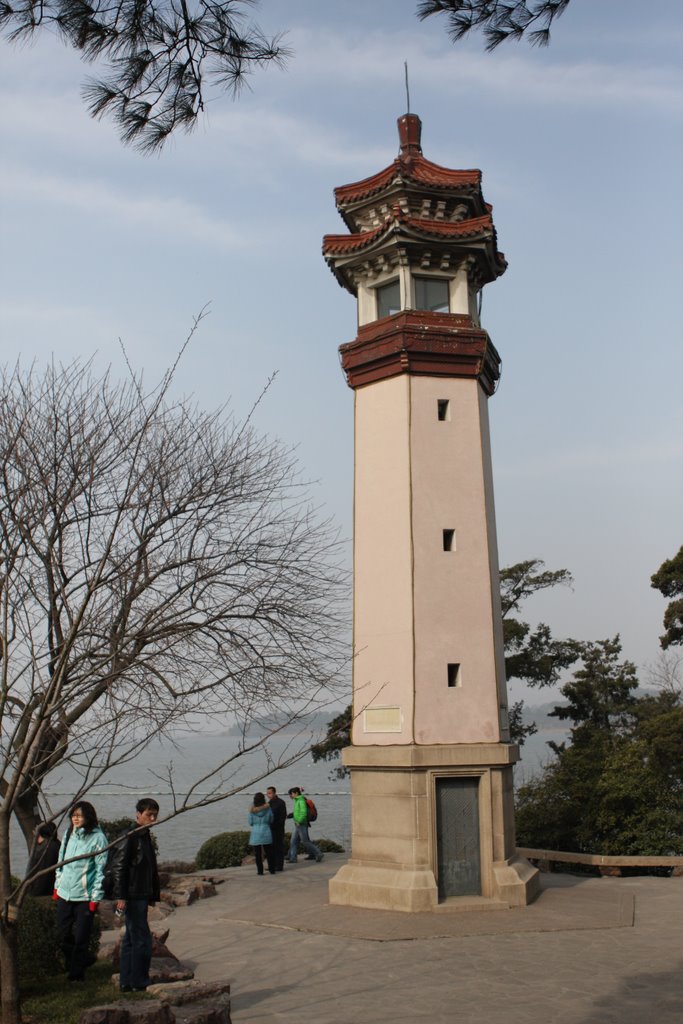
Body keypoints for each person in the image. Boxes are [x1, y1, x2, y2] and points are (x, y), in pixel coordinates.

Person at [108, 797, 161, 993]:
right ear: (138, 814)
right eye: (149, 814)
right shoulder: (130, 836)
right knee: (141, 939)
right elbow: (119, 868)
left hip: (139, 893)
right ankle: (139, 981)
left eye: (155, 814)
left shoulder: (143, 835)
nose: (153, 818)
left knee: (131, 938)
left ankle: (127, 981)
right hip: (132, 894)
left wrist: (152, 895)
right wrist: (120, 897)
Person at [53, 801, 107, 981]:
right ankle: (84, 959)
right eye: (73, 815)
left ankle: (76, 975)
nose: (75, 818)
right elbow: (60, 862)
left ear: (88, 817)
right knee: (61, 935)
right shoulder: (69, 833)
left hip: (84, 897)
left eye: (79, 815)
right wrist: (57, 886)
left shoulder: (98, 838)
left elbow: (101, 871)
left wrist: (95, 898)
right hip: (64, 894)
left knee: (81, 937)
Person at [286, 787, 323, 864]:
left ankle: (318, 853)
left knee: (305, 841)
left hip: (301, 824)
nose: (291, 796)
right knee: (293, 841)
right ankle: (293, 858)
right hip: (298, 824)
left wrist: (299, 821)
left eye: (292, 794)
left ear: (296, 793)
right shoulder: (297, 800)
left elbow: (303, 813)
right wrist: (292, 815)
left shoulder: (301, 800)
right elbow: (298, 812)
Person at [25, 821, 60, 897]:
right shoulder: (58, 844)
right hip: (54, 888)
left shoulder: (42, 849)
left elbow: (37, 871)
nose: (33, 833)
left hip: (40, 891)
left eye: (35, 831)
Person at [248, 792, 275, 875]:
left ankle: (260, 871)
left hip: (256, 833)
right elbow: (271, 819)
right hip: (266, 831)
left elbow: (250, 822)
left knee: (258, 854)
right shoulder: (268, 808)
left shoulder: (252, 811)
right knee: (269, 852)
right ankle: (272, 870)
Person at [266, 786, 287, 872]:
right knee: (272, 848)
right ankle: (273, 865)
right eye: (267, 793)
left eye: (270, 793)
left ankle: (279, 866)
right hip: (270, 829)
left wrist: (276, 825)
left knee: (279, 847)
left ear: (274, 793)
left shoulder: (281, 802)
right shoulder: (269, 803)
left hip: (278, 829)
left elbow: (283, 816)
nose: (268, 795)